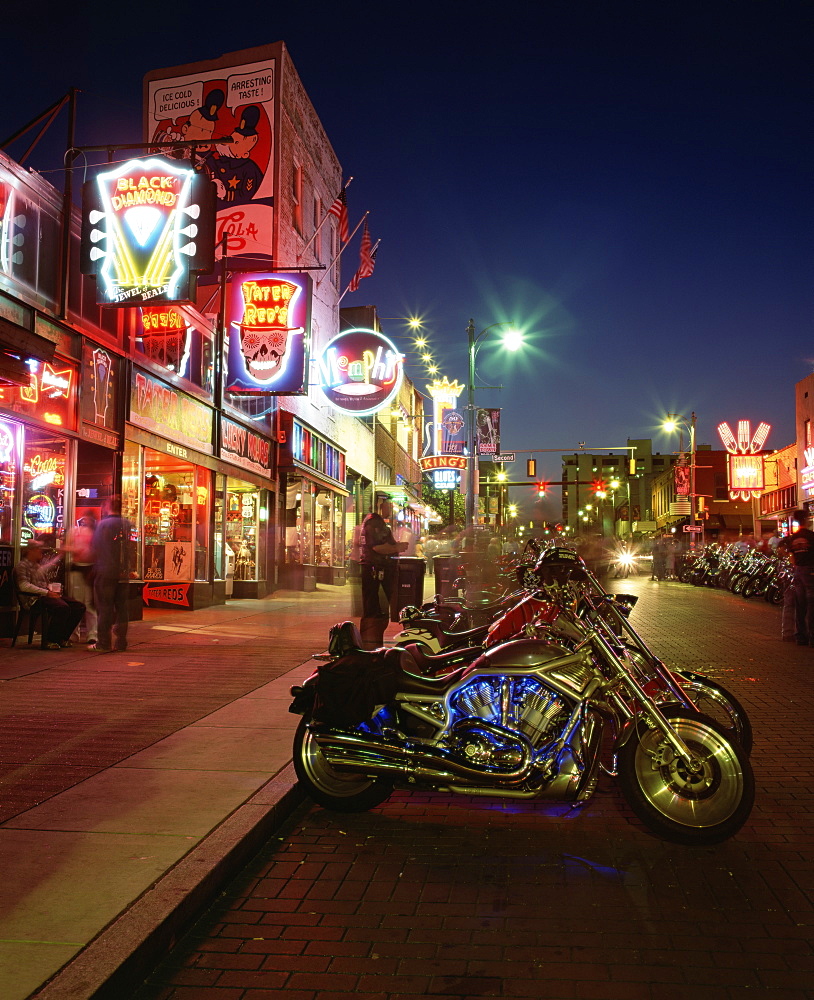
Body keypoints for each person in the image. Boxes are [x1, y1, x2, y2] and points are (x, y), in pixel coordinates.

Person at [14, 541, 86, 649]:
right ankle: (50, 640)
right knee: (61, 607)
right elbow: (24, 586)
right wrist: (47, 592)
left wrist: (60, 555)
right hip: (33, 599)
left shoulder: (36, 565)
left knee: (78, 606)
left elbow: (47, 568)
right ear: (30, 551)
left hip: (44, 595)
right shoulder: (22, 566)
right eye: (38, 549)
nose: (41, 552)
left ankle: (62, 638)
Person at [358, 496, 408, 649]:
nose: (391, 510)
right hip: (376, 573)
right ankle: (370, 646)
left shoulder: (376, 522)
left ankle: (373, 644)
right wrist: (397, 548)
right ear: (380, 505)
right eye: (389, 506)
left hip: (379, 572)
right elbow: (377, 547)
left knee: (377, 611)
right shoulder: (374, 523)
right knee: (375, 611)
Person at [93, 497, 133, 652]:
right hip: (123, 573)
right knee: (122, 607)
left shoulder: (103, 525)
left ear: (107, 507)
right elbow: (131, 548)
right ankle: (121, 641)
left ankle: (103, 642)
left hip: (105, 570)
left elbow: (96, 547)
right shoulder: (127, 524)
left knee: (105, 607)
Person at [776, 509, 814, 645]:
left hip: (798, 571)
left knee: (800, 605)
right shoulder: (811, 536)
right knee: (811, 605)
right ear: (806, 519)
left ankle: (800, 637)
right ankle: (812, 638)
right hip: (810, 571)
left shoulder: (793, 537)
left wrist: (796, 565)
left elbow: (791, 556)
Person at [61, 514, 98, 644]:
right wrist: (76, 549)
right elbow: (64, 547)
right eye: (83, 521)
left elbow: (97, 551)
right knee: (77, 602)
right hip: (77, 568)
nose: (85, 523)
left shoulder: (94, 534)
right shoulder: (74, 531)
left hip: (89, 570)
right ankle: (74, 634)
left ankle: (92, 634)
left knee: (88, 603)